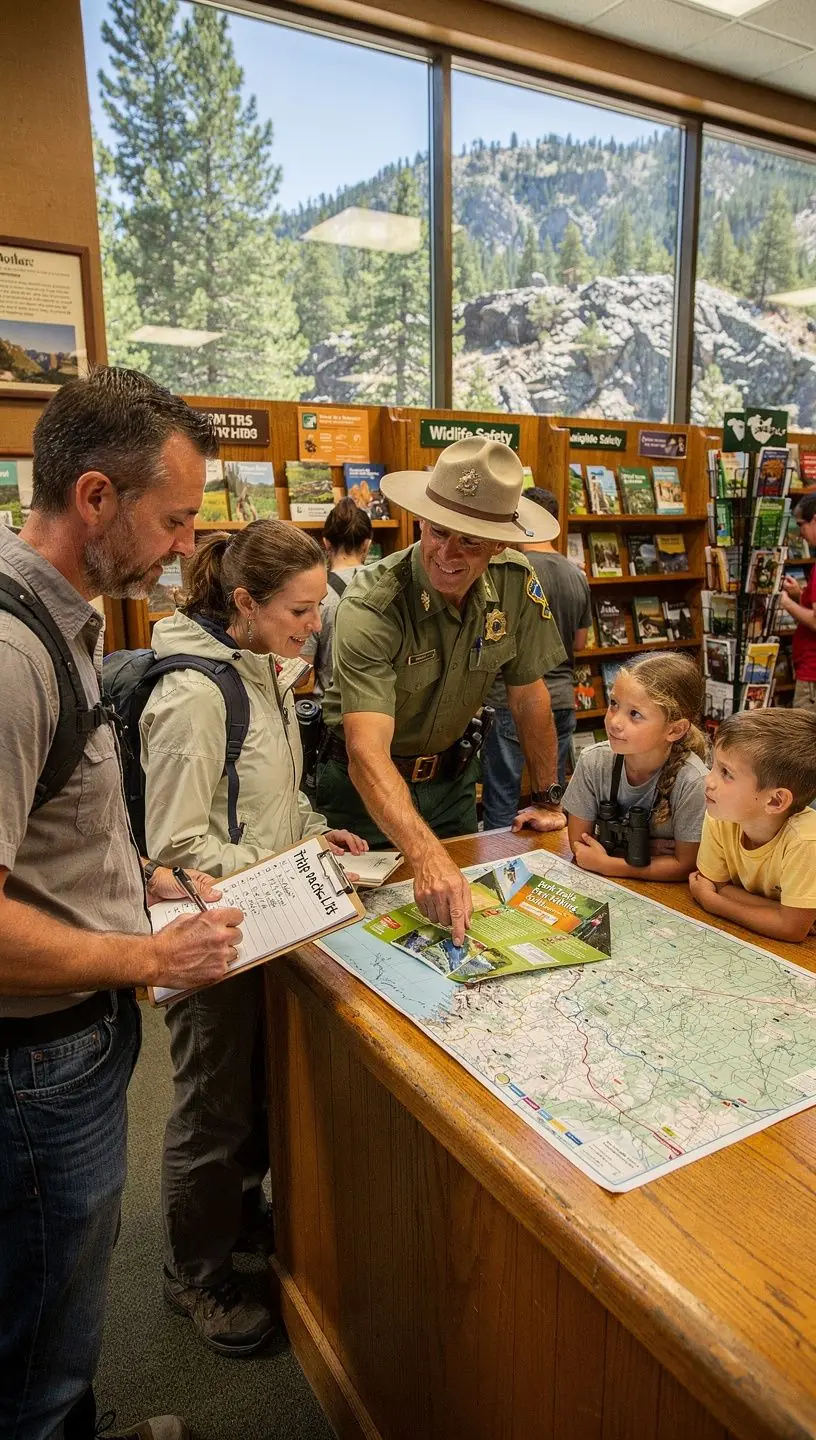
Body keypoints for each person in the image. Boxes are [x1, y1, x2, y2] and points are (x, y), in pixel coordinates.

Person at [0, 367, 244, 1440]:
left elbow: (50, 817)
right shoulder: (13, 654)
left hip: (68, 1042)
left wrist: (135, 875)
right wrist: (150, 959)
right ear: (96, 497)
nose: (186, 548)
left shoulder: (62, 619)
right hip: (35, 1064)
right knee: (37, 1330)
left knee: (54, 1304)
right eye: (175, 519)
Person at [139, 519, 367, 1356]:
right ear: (244, 602)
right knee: (212, 1106)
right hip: (209, 933)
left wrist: (312, 834)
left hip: (264, 918)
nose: (315, 624)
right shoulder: (194, 695)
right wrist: (287, 865)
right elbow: (174, 850)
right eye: (300, 611)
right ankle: (195, 1275)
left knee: (254, 1092)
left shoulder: (262, 667)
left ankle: (236, 1220)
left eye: (317, 607)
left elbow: (276, 792)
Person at [316, 437, 569, 947]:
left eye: (470, 542)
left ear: (498, 544)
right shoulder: (372, 604)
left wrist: (547, 799)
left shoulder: (515, 583)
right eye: (438, 532)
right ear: (419, 522)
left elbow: (528, 697)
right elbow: (367, 752)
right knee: (356, 947)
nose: (447, 555)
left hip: (453, 788)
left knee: (465, 936)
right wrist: (425, 855)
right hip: (362, 798)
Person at [481, 486, 591, 826]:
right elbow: (581, 642)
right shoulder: (576, 574)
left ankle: (500, 856)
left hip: (510, 697)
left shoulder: (513, 571)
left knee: (502, 798)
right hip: (562, 697)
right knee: (549, 800)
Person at [564, 652, 708, 882]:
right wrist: (646, 848)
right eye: (613, 704)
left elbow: (686, 865)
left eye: (635, 714)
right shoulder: (592, 761)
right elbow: (580, 846)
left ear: (675, 730)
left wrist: (611, 864)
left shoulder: (693, 782)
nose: (614, 722)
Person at [690, 709, 816, 942]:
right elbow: (712, 882)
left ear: (775, 801)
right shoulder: (721, 816)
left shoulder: (806, 841)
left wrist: (714, 902)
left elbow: (791, 929)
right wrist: (782, 912)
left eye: (726, 773)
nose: (708, 779)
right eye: (713, 765)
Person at [302, 496, 372, 700]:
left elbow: (300, 675)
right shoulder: (387, 585)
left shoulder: (314, 594)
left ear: (325, 543)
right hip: (380, 709)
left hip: (333, 709)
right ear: (367, 544)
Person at [779, 493, 816, 708]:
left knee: (805, 728)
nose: (801, 534)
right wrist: (799, 595)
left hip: (812, 674)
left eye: (802, 525)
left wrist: (786, 603)